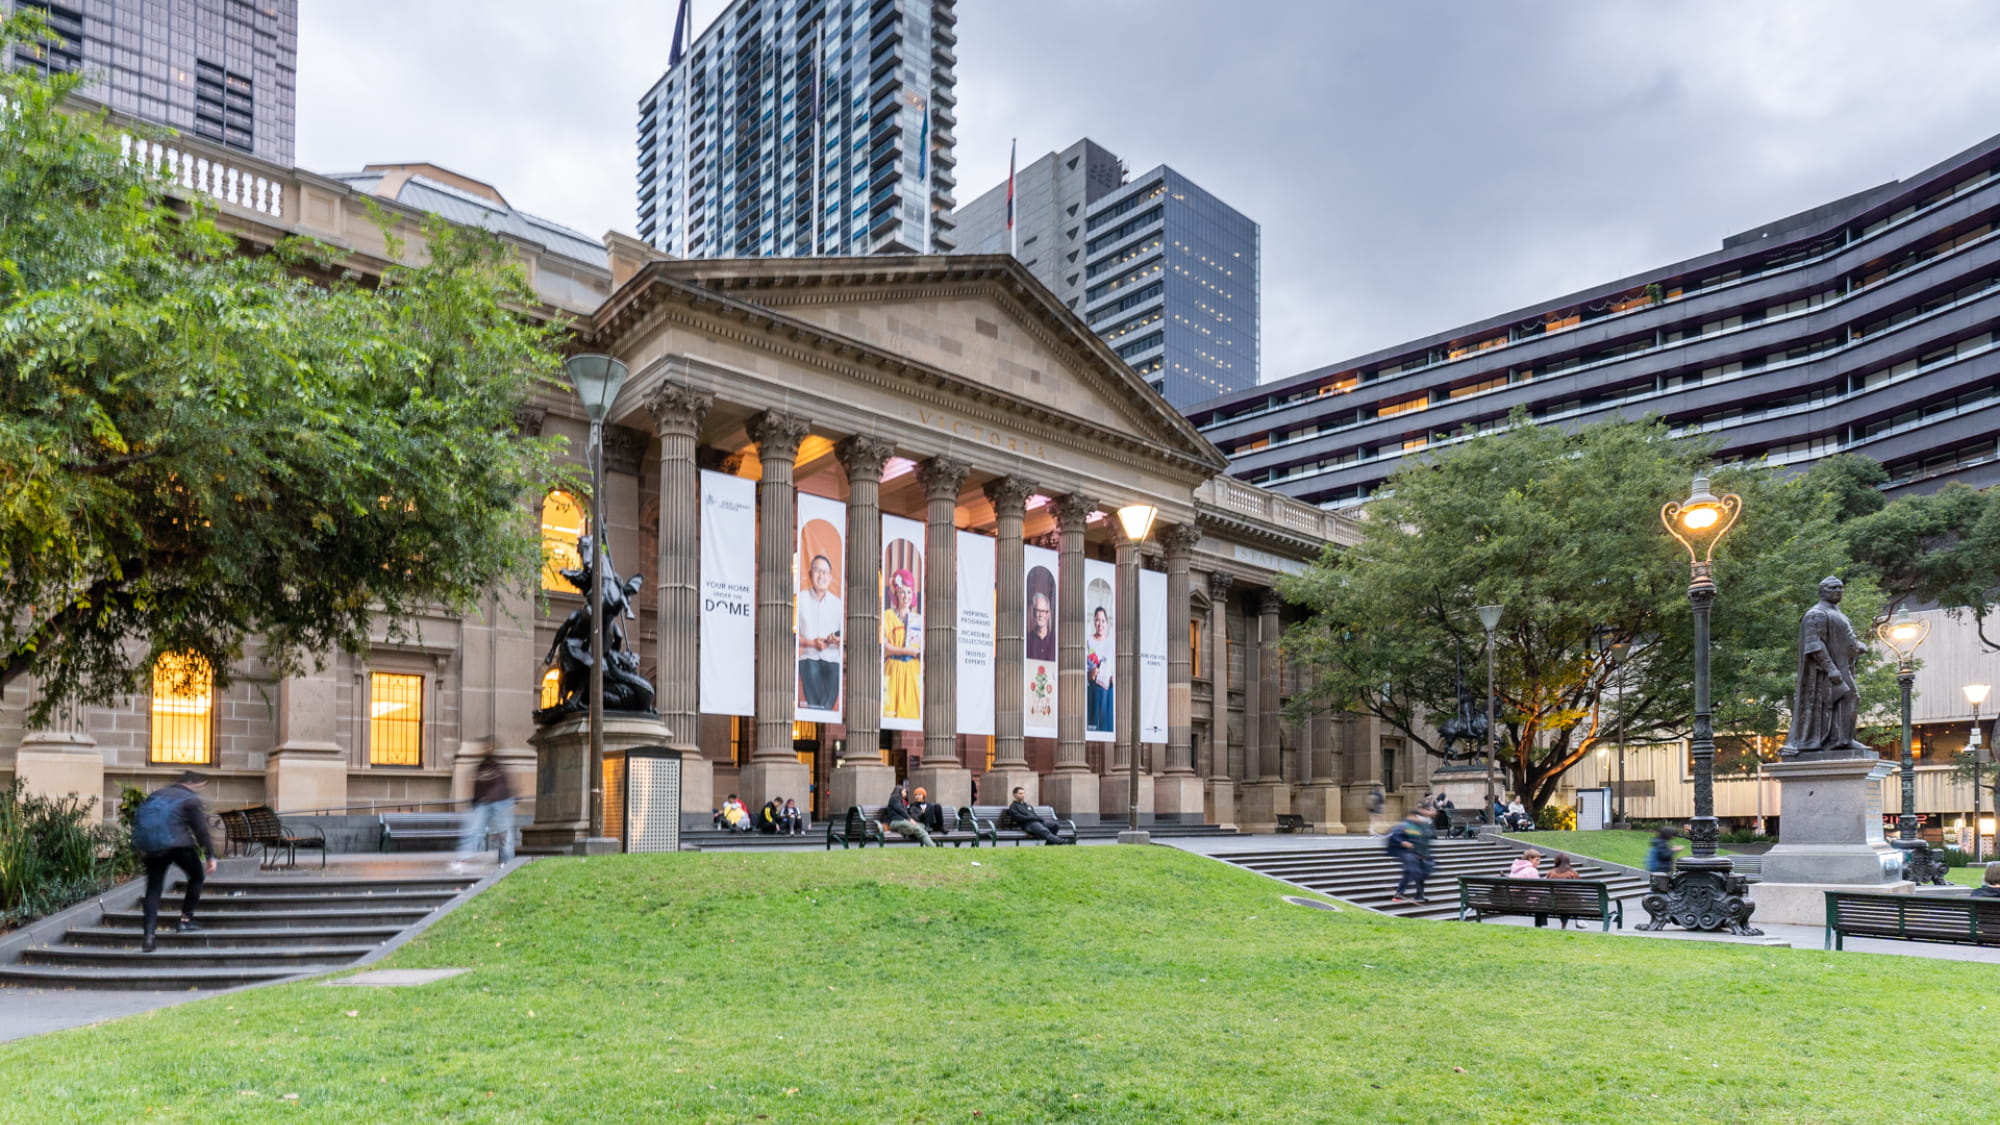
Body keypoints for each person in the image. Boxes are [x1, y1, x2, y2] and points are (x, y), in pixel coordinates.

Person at [1778, 576, 1872, 756]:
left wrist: (1858, 647)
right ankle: (1839, 740)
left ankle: (1842, 739)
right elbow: (1815, 645)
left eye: (1840, 587)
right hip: (1825, 673)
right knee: (1848, 698)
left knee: (1849, 700)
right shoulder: (1816, 614)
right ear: (1823, 591)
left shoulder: (1838, 613)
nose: (1838, 590)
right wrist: (1831, 669)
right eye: (1833, 588)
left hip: (1843, 666)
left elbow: (1846, 639)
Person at [130, 771, 218, 954]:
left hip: (153, 847)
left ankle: (149, 937)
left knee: (153, 888)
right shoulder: (190, 799)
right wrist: (210, 855)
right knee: (196, 876)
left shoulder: (156, 795)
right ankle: (185, 920)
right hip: (179, 846)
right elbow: (201, 830)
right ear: (194, 783)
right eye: (202, 785)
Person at [796, 553, 843, 711]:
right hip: (809, 656)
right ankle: (820, 712)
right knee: (810, 671)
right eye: (817, 571)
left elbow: (844, 635)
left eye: (825, 572)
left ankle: (822, 712)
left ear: (830, 577)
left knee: (834, 681)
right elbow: (791, 634)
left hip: (832, 659)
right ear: (810, 574)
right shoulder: (800, 599)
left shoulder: (838, 604)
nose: (821, 575)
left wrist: (836, 640)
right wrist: (811, 643)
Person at [453, 753, 516, 870]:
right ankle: (463, 858)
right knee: (475, 830)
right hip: (487, 801)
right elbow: (478, 788)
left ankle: (508, 862)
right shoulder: (483, 768)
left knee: (504, 833)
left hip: (498, 801)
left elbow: (497, 787)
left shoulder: (494, 768)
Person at [882, 568, 922, 721]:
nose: (906, 596)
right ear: (896, 594)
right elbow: (886, 646)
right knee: (889, 712)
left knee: (911, 713)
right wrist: (905, 651)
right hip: (892, 668)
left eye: (909, 592)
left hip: (912, 671)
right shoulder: (887, 616)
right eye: (903, 592)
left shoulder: (917, 619)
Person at [1387, 804, 1437, 905]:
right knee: (1413, 872)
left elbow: (1428, 837)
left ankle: (1417, 895)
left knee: (1416, 874)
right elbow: (1395, 836)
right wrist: (1403, 842)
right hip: (1408, 853)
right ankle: (1401, 893)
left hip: (1419, 854)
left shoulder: (1422, 825)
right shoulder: (1405, 825)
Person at [1007, 787, 1073, 844]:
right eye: (1020, 793)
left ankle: (1049, 844)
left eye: (1023, 793)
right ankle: (1063, 842)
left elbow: (1034, 815)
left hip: (1038, 822)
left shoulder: (1027, 806)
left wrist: (1038, 818)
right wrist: (1033, 818)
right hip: (1028, 825)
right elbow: (1019, 818)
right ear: (1014, 795)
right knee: (1044, 831)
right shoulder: (1013, 807)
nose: (1023, 795)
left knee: (1055, 825)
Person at [1086, 605, 1114, 732]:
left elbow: (1114, 667)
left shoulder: (1111, 644)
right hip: (1093, 689)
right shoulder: (1088, 642)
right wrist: (1089, 673)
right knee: (1093, 726)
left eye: (1103, 621)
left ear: (1107, 623)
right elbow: (1084, 667)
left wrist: (1114, 677)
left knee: (1106, 726)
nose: (1100, 624)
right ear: (1094, 622)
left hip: (1107, 691)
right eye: (1097, 620)